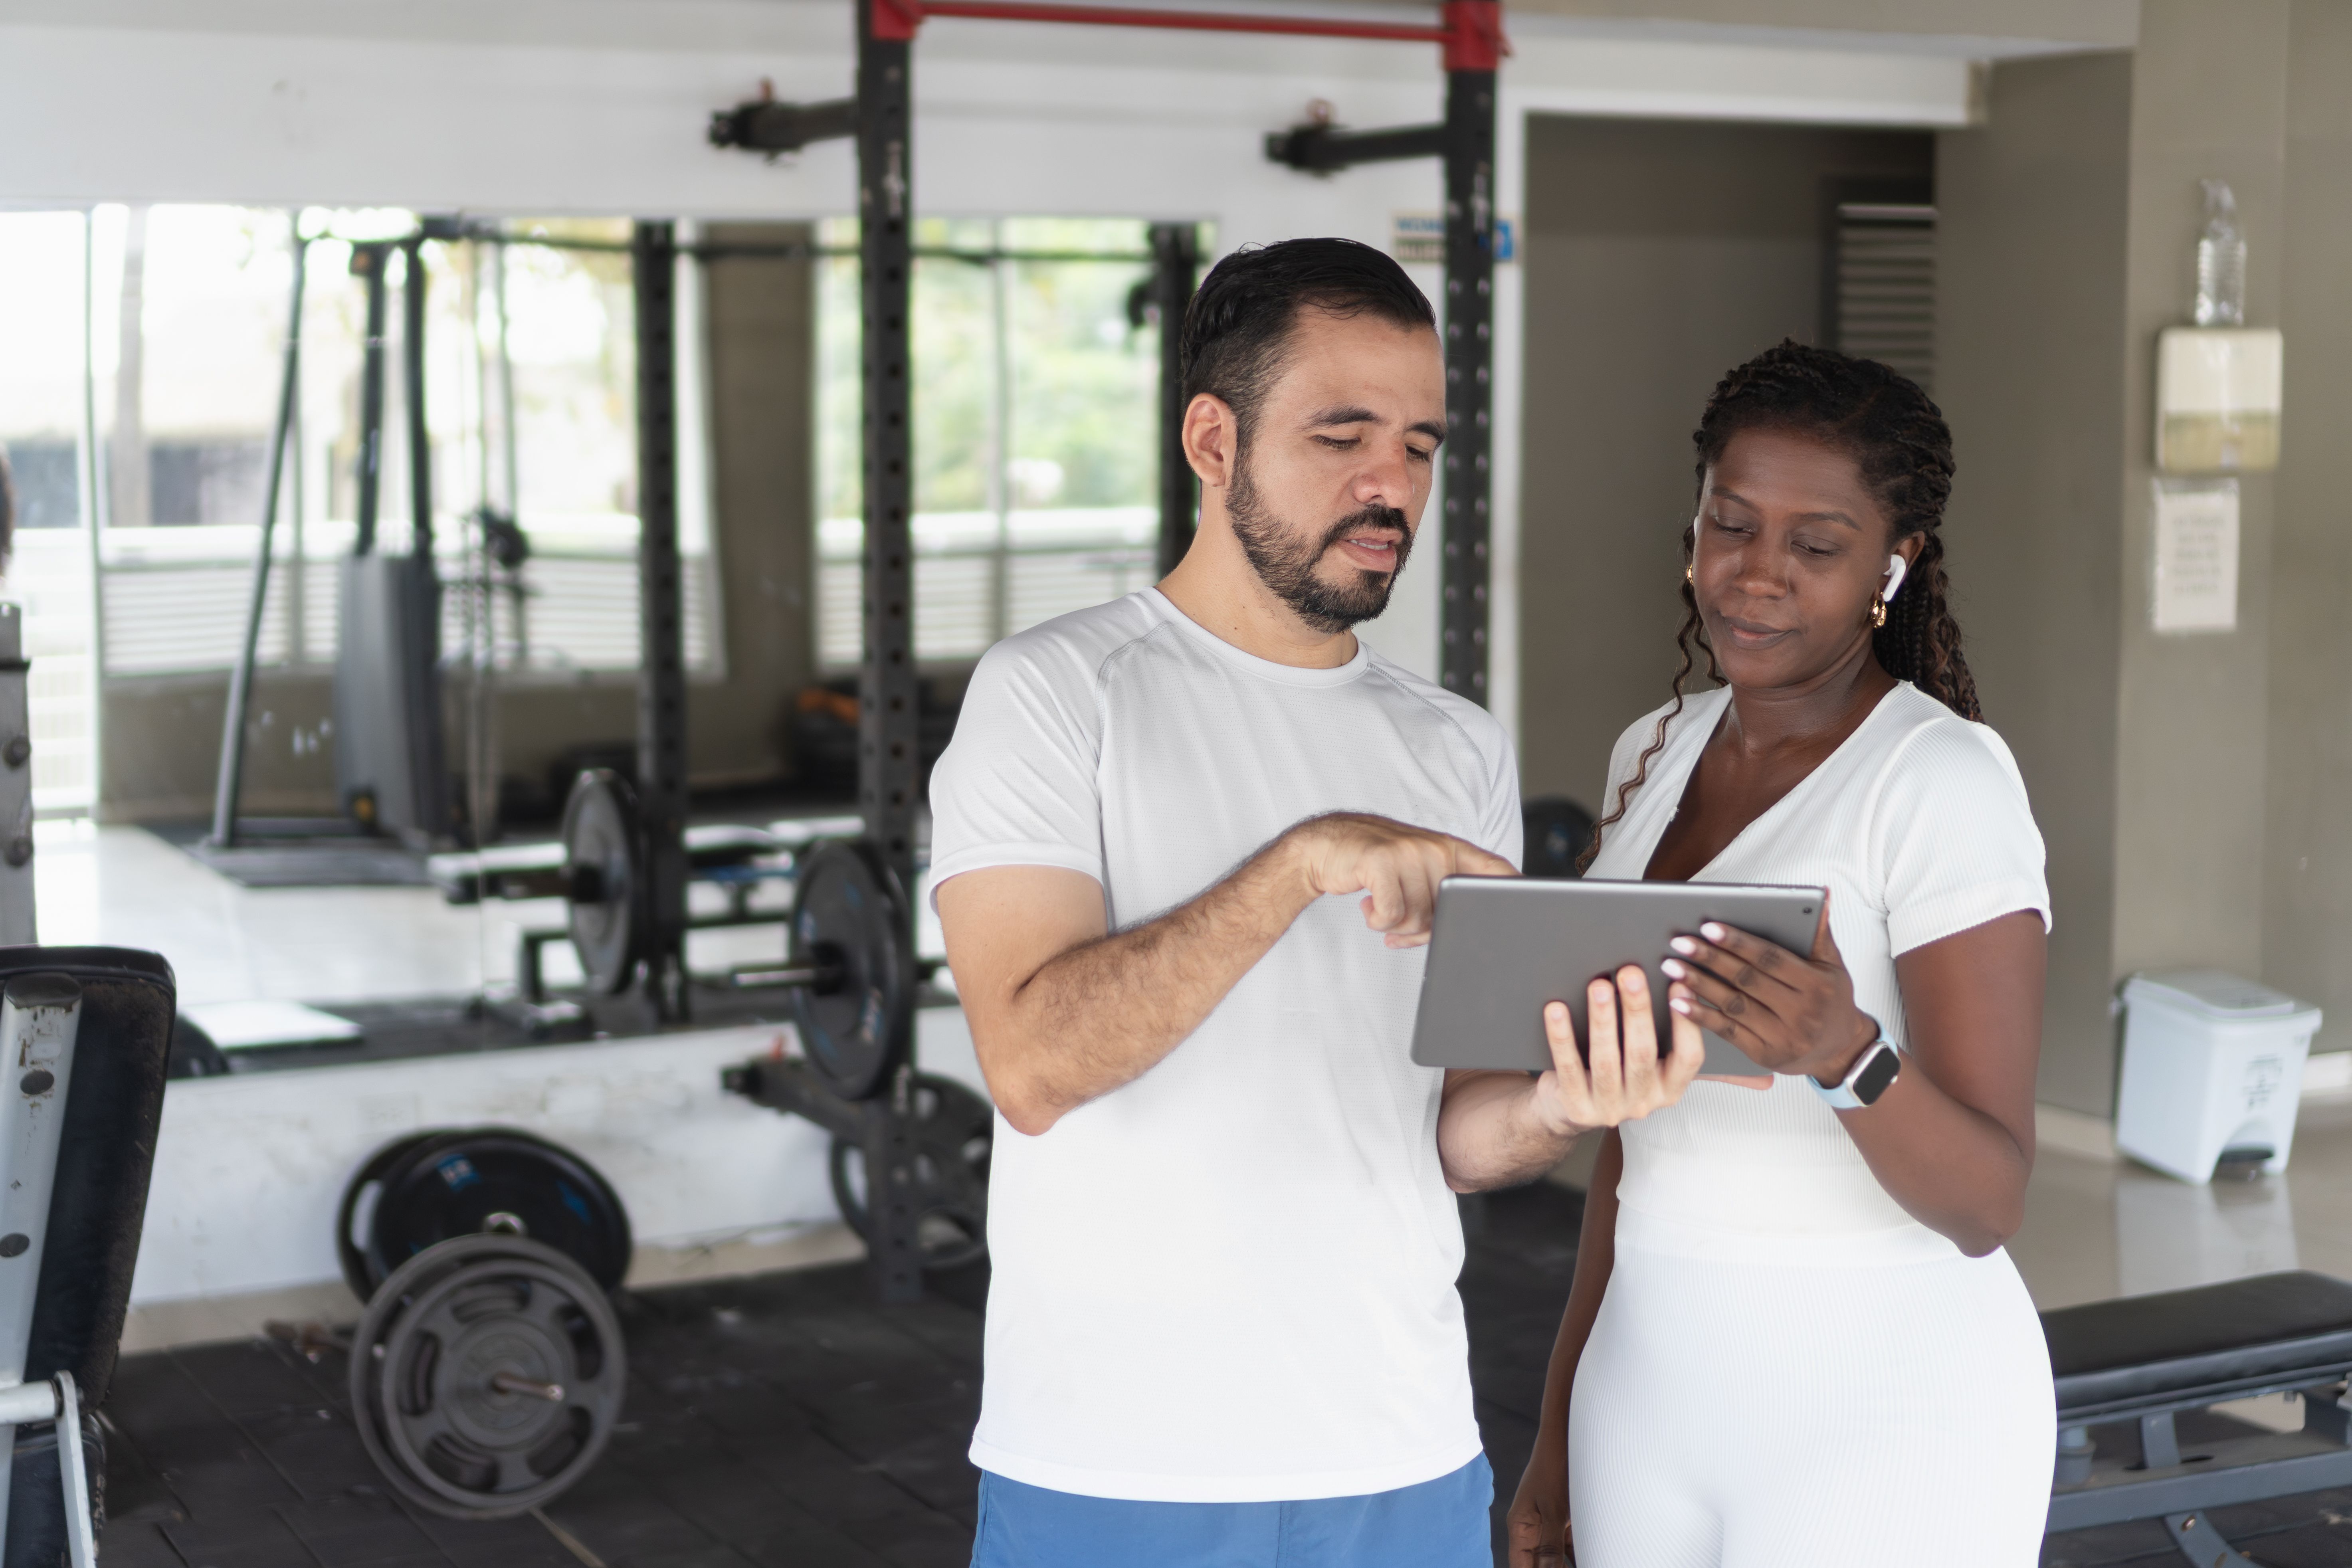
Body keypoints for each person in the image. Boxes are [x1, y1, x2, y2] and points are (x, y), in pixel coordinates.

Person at [929, 238, 1703, 1568]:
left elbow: (1455, 1135)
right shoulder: (1054, 693)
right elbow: (1035, 1064)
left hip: (1397, 1452)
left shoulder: (1454, 747)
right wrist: (1296, 867)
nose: (1387, 485)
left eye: (1417, 445)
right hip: (1117, 1465)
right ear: (1212, 439)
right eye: (1341, 436)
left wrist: (1563, 1107)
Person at [1507, 341, 2056, 1568]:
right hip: (1646, 1387)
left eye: (1815, 546)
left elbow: (1986, 1201)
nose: (1755, 577)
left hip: (1883, 1406)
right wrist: (1553, 1435)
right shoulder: (1650, 752)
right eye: (1730, 525)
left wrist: (1842, 1054)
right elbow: (1626, 1146)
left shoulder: (1938, 782)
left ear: (1889, 567)